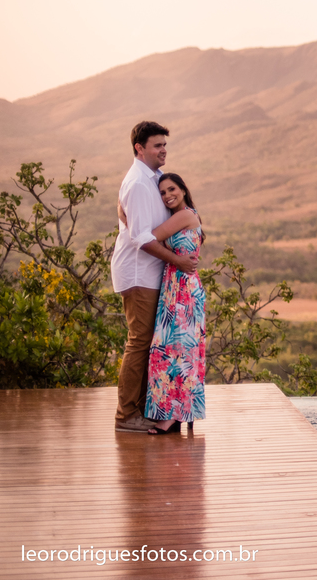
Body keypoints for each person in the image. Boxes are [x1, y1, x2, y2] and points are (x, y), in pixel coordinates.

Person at [111, 122, 199, 433]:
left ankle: (154, 410)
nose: (163, 150)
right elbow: (140, 238)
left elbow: (133, 215)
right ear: (140, 148)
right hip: (138, 273)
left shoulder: (155, 179)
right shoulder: (137, 182)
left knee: (154, 344)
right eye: (157, 145)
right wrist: (178, 260)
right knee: (139, 342)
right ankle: (126, 416)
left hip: (156, 275)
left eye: (165, 145)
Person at [144, 172, 206, 435]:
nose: (168, 195)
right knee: (169, 351)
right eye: (162, 193)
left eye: (172, 189)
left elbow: (148, 237)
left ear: (182, 189)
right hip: (173, 287)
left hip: (185, 290)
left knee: (181, 352)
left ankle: (175, 415)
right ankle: (175, 412)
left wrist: (124, 216)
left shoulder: (185, 215)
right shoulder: (176, 217)